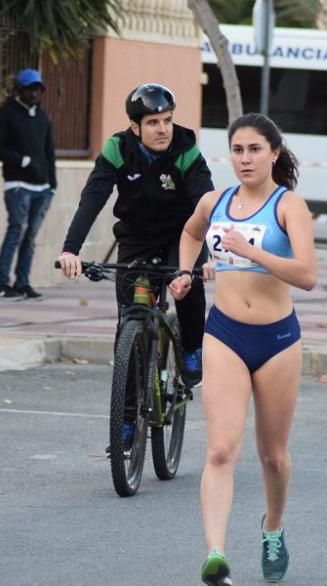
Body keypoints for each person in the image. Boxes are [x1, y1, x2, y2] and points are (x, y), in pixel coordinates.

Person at [169, 113, 316, 586]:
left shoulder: (288, 206)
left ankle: (273, 526)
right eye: (237, 150)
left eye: (255, 150)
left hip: (276, 341)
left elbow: (307, 275)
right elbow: (191, 233)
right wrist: (185, 271)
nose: (245, 159)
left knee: (272, 454)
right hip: (225, 333)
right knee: (219, 450)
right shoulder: (215, 202)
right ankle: (215, 554)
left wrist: (254, 254)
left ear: (274, 153)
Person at [57, 83, 214, 384]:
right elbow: (92, 199)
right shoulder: (118, 149)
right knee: (128, 320)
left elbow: (205, 205)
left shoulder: (186, 150)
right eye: (153, 123)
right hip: (136, 239)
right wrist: (70, 250)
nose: (163, 129)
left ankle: (192, 346)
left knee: (188, 290)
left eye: (167, 120)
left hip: (181, 237)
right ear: (135, 126)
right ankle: (127, 420)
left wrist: (209, 259)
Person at [0, 68, 57, 301]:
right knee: (16, 230)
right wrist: (23, 160)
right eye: (30, 89)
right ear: (20, 89)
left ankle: (23, 282)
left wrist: (52, 184)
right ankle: (0, 284)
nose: (35, 93)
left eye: (38, 89)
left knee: (30, 237)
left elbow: (49, 151)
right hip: (17, 185)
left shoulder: (42, 116)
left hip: (41, 188)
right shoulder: (5, 114)